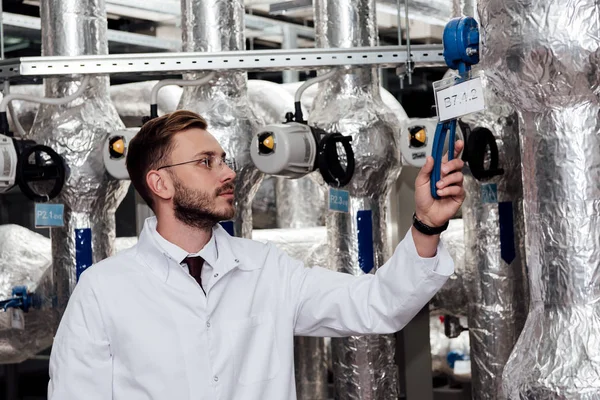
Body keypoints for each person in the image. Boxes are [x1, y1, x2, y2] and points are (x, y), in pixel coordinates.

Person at [47, 110, 465, 400]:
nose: (228, 172)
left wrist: (427, 223)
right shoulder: (104, 290)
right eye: (206, 162)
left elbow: (379, 305)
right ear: (161, 184)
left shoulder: (267, 269)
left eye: (223, 160)